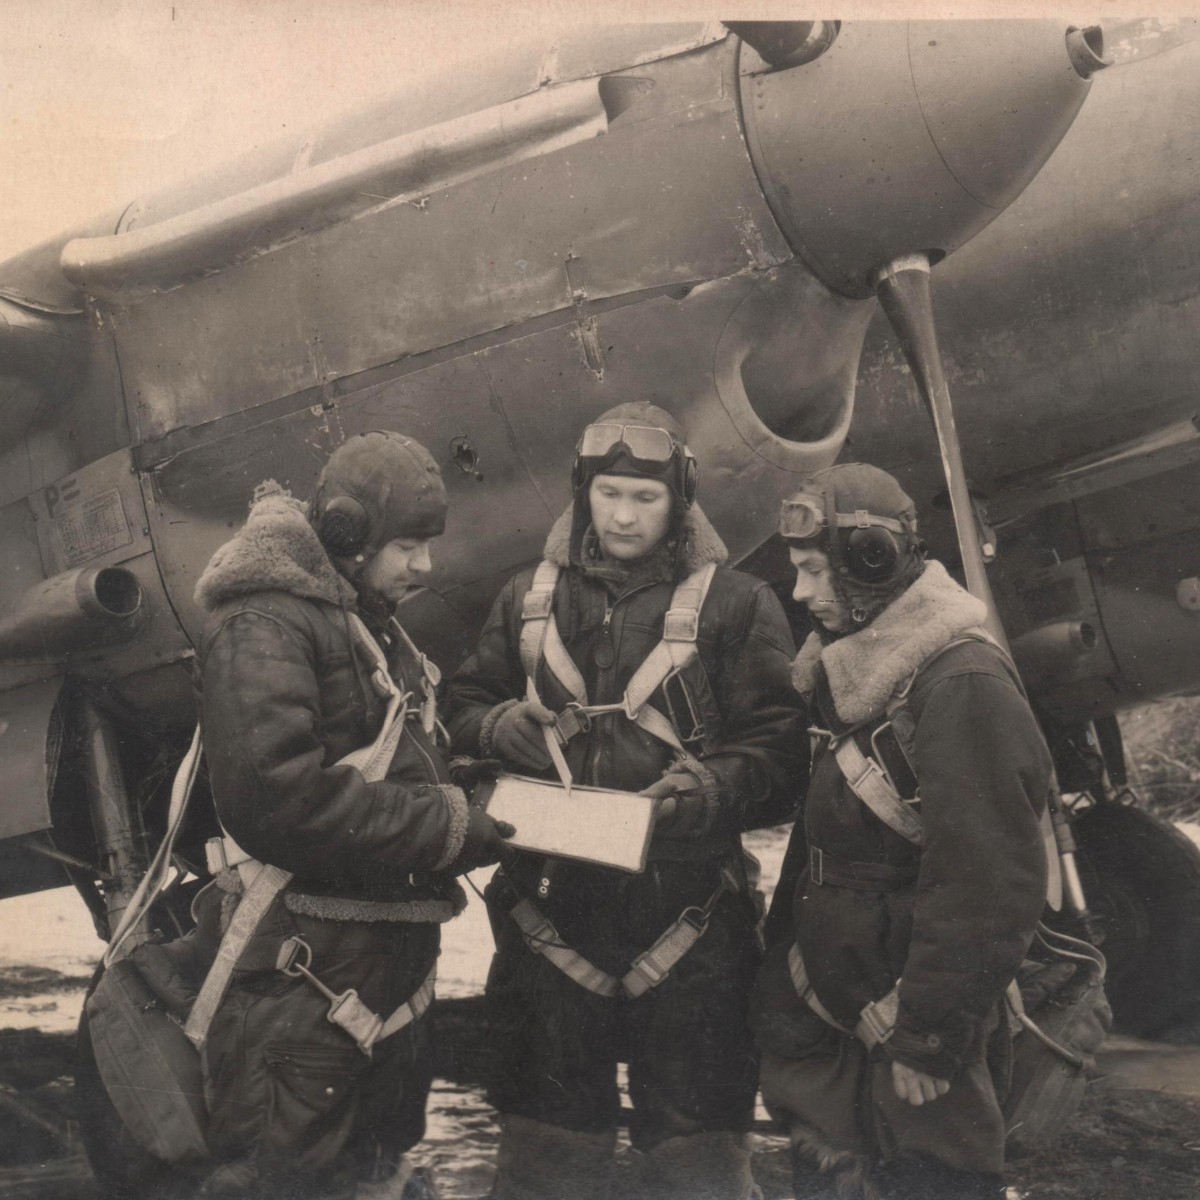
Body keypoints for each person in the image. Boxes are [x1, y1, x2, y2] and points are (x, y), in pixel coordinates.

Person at [445, 402, 807, 1200]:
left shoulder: (737, 605)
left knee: (700, 1162)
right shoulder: (526, 602)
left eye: (645, 498)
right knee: (543, 1159)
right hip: (547, 927)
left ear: (680, 502)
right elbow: (459, 706)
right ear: (583, 495)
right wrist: (501, 724)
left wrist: (710, 791)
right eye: (609, 493)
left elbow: (780, 752)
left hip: (691, 932)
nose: (624, 514)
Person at [192, 431, 513, 1199]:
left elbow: (394, 761)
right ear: (346, 535)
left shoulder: (364, 622)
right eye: (408, 544)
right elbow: (275, 800)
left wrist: (484, 787)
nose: (425, 566)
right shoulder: (264, 625)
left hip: (375, 985)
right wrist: (449, 825)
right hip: (303, 997)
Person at [751, 463, 1053, 1200]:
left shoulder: (961, 684)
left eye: (814, 570)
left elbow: (989, 883)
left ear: (870, 562)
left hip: (909, 1035)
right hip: (834, 1019)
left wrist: (929, 1035)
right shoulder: (860, 674)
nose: (801, 593)